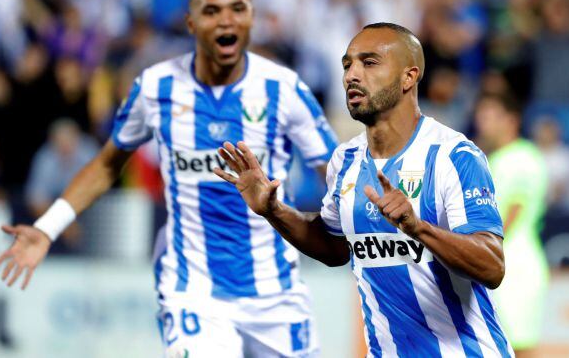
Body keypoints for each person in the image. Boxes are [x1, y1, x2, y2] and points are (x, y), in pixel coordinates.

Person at [0, 0, 337, 358]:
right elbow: (108, 164)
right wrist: (47, 227)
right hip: (193, 291)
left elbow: (334, 171)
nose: (226, 19)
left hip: (276, 290)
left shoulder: (285, 89)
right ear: (190, 23)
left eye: (237, 8)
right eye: (212, 11)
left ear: (251, 17)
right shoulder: (157, 87)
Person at [215, 23, 514, 357]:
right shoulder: (346, 160)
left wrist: (418, 228)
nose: (351, 76)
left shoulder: (452, 156)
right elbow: (334, 247)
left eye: (369, 63)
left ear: (408, 77)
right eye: (347, 65)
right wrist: (273, 210)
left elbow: (491, 266)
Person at [474, 92, 548, 358]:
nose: (482, 123)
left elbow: (513, 212)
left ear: (511, 120)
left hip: (516, 269)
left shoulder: (525, 157)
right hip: (494, 265)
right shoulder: (491, 159)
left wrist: (470, 252)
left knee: (519, 349)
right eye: (480, 116)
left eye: (489, 116)